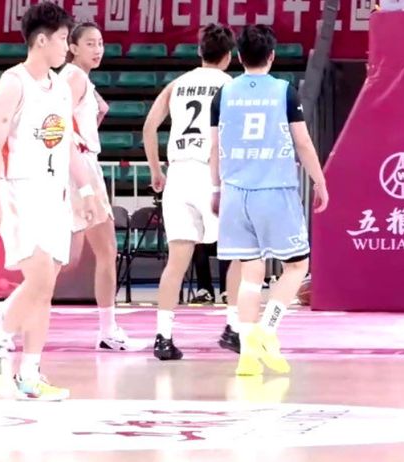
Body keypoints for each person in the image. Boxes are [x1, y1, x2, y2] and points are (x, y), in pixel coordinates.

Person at [0, 22, 147, 352]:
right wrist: (84, 186)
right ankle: (106, 329)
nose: (98, 49)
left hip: (73, 165)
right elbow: (58, 129)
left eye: (101, 43)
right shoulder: (68, 78)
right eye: (90, 43)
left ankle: (11, 312)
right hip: (69, 168)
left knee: (66, 260)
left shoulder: (71, 79)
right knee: (102, 252)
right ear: (71, 47)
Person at [0, 2, 96, 400]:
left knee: (45, 289)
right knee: (41, 277)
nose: (66, 46)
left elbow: (68, 145)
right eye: (63, 39)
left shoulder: (61, 86)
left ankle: (29, 372)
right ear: (41, 41)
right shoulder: (13, 83)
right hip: (20, 191)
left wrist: (85, 191)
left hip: (54, 194)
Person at [210, 24, 329, 376]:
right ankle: (267, 329)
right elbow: (302, 142)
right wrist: (320, 180)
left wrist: (215, 189)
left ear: (239, 56)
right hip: (274, 190)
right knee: (297, 265)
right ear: (272, 56)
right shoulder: (283, 91)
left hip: (235, 193)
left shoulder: (224, 94)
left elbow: (215, 146)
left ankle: (248, 354)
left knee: (250, 274)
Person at [143, 23, 241, 360]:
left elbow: (149, 127)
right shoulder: (230, 86)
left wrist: (156, 171)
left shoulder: (178, 84)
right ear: (228, 56)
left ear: (200, 51)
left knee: (176, 262)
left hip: (178, 173)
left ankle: (163, 337)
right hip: (210, 171)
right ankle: (233, 329)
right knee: (237, 253)